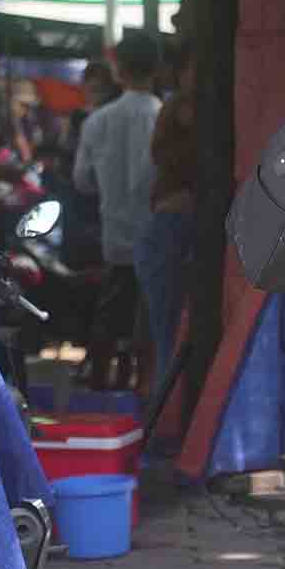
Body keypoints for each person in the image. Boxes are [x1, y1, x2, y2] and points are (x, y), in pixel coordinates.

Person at [74, 32, 162, 392]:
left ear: (118, 70)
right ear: (158, 68)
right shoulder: (164, 116)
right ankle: (146, 391)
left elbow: (83, 181)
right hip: (157, 239)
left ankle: (98, 388)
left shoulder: (96, 121)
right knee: (150, 320)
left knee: (109, 318)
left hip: (115, 237)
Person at [134, 40, 195, 400]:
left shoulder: (173, 110)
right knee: (167, 335)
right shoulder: (173, 112)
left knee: (166, 335)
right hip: (168, 231)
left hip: (167, 230)